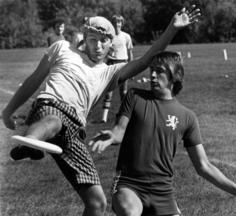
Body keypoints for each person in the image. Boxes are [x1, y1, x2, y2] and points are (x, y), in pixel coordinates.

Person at [2, 6, 201, 216]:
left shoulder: (109, 72)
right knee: (54, 120)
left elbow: (145, 60)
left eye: (104, 41)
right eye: (93, 39)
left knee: (97, 202)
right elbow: (34, 80)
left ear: (111, 44)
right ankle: (31, 142)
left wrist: (172, 28)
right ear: (84, 38)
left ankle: (35, 144)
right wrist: (8, 111)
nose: (98, 46)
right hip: (51, 106)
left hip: (74, 130)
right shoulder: (62, 48)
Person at [90, 51, 236, 216]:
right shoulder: (135, 97)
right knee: (130, 213)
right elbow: (119, 131)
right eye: (151, 70)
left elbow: (203, 166)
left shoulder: (187, 117)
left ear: (174, 76)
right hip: (129, 184)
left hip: (163, 192)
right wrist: (112, 137)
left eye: (159, 71)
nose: (151, 75)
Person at [101, 14, 134, 123]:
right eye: (115, 22)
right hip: (111, 64)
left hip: (123, 64)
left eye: (119, 22)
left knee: (123, 92)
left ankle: (123, 115)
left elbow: (130, 53)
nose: (117, 24)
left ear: (122, 23)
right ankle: (104, 118)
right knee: (109, 91)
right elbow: (104, 51)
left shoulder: (126, 36)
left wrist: (132, 68)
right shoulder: (109, 36)